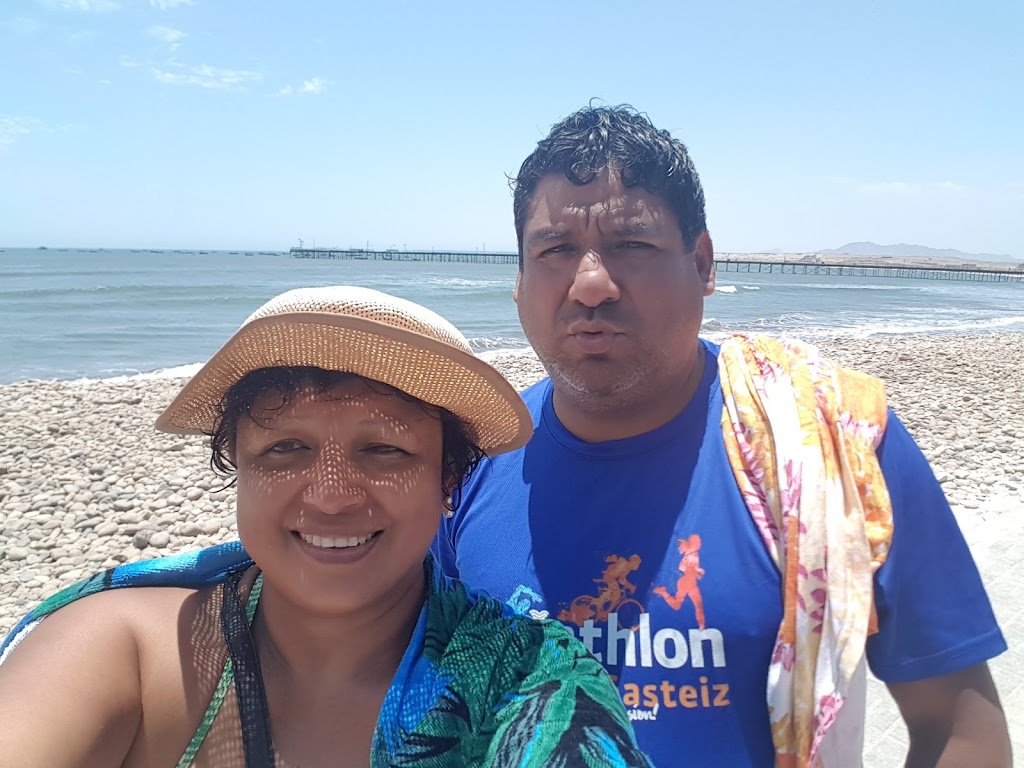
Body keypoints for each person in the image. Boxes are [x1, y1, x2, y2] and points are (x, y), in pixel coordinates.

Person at [434, 106, 1010, 766]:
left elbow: (958, 728)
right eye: (554, 250)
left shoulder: (835, 444)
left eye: (632, 245)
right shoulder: (467, 462)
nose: (590, 285)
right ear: (518, 282)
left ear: (703, 263)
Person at [0, 285, 655, 767]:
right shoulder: (128, 653)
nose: (333, 498)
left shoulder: (532, 680)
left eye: (385, 450)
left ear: (448, 482)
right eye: (286, 448)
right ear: (238, 467)